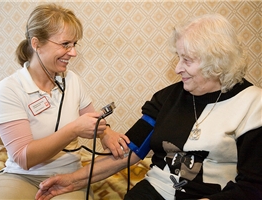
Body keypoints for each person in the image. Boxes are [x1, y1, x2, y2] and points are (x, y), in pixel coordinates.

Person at [35, 13, 262, 200]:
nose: (177, 69)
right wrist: (71, 180)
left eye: (187, 60)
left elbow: (253, 187)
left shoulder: (254, 105)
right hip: (156, 190)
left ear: (217, 61)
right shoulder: (167, 98)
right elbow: (129, 152)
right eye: (178, 58)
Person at [0, 3, 129, 200]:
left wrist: (106, 133)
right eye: (65, 44)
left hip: (68, 176)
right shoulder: (9, 89)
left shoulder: (72, 80)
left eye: (75, 44)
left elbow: (93, 121)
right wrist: (73, 130)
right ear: (36, 44)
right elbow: (24, 158)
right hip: (20, 176)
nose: (73, 52)